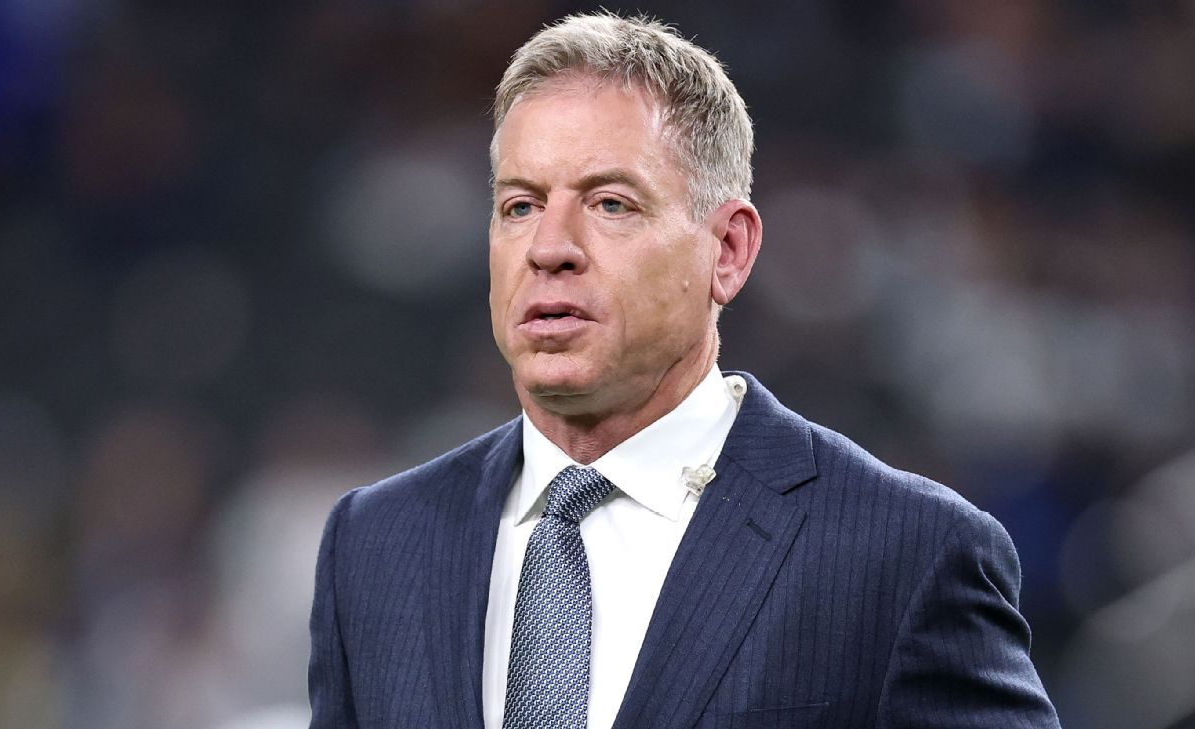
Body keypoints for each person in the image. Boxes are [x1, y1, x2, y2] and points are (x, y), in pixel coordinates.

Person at [308, 12, 1060, 729]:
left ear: (727, 250)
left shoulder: (905, 553)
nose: (549, 248)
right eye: (520, 206)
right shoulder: (374, 543)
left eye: (610, 204)